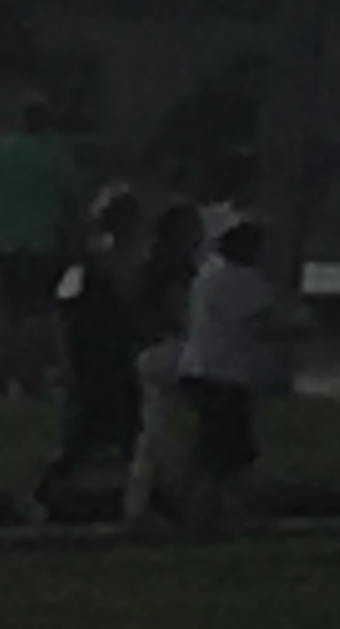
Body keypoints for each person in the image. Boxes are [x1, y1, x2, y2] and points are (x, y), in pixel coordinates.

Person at [28, 186, 145, 520]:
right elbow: (65, 315)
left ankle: (141, 497)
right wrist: (65, 357)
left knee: (128, 432)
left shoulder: (128, 260)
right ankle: (48, 491)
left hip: (117, 353)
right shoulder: (90, 266)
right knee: (85, 435)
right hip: (93, 357)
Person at [175, 214, 297, 532]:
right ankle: (208, 511)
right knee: (226, 449)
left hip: (195, 367)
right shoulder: (245, 280)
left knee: (216, 444)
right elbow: (266, 323)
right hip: (225, 373)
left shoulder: (207, 274)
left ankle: (215, 508)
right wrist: (309, 328)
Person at [0, 99, 81, 398]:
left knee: (0, 310)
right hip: (39, 242)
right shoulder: (54, 154)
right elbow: (71, 198)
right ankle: (31, 375)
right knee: (36, 310)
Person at [118, 199, 203, 531]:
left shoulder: (147, 264)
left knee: (154, 434)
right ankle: (153, 505)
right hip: (168, 349)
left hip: (147, 348)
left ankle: (146, 504)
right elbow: (178, 309)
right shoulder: (176, 267)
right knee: (161, 437)